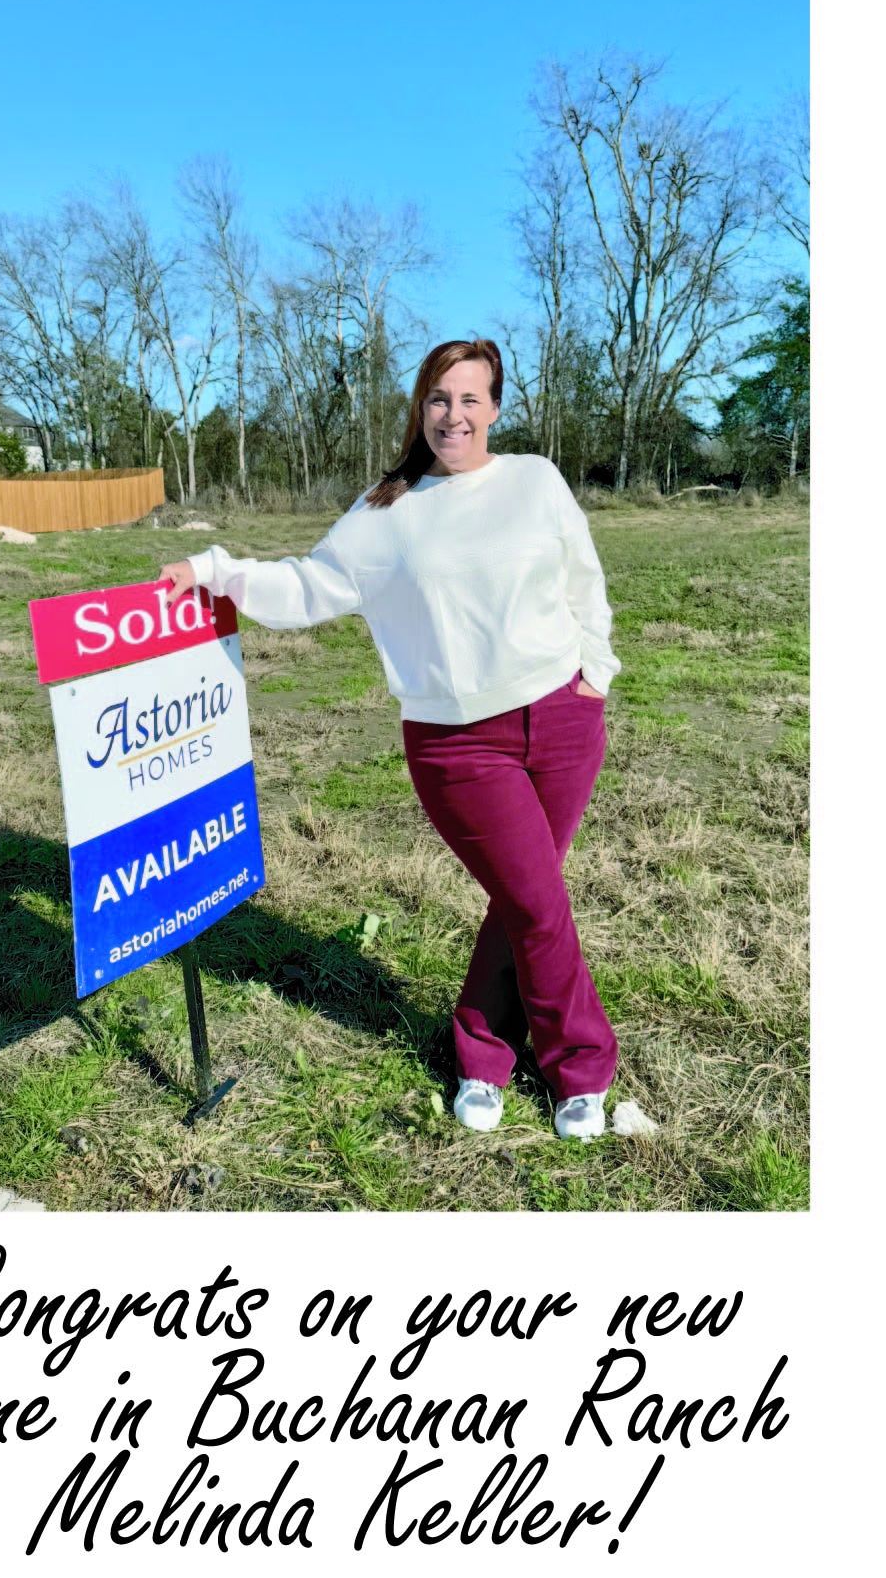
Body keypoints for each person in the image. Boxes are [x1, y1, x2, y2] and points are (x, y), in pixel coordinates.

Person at [159, 338, 620, 1140]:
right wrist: (213, 568)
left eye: (470, 399)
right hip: (457, 745)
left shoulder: (534, 479)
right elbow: (306, 585)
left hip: (561, 718)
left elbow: (584, 577)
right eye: (439, 399)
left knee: (525, 900)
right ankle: (578, 1067)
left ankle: (482, 1054)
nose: (453, 415)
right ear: (420, 409)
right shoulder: (386, 510)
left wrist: (597, 670)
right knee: (537, 904)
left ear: (495, 408)